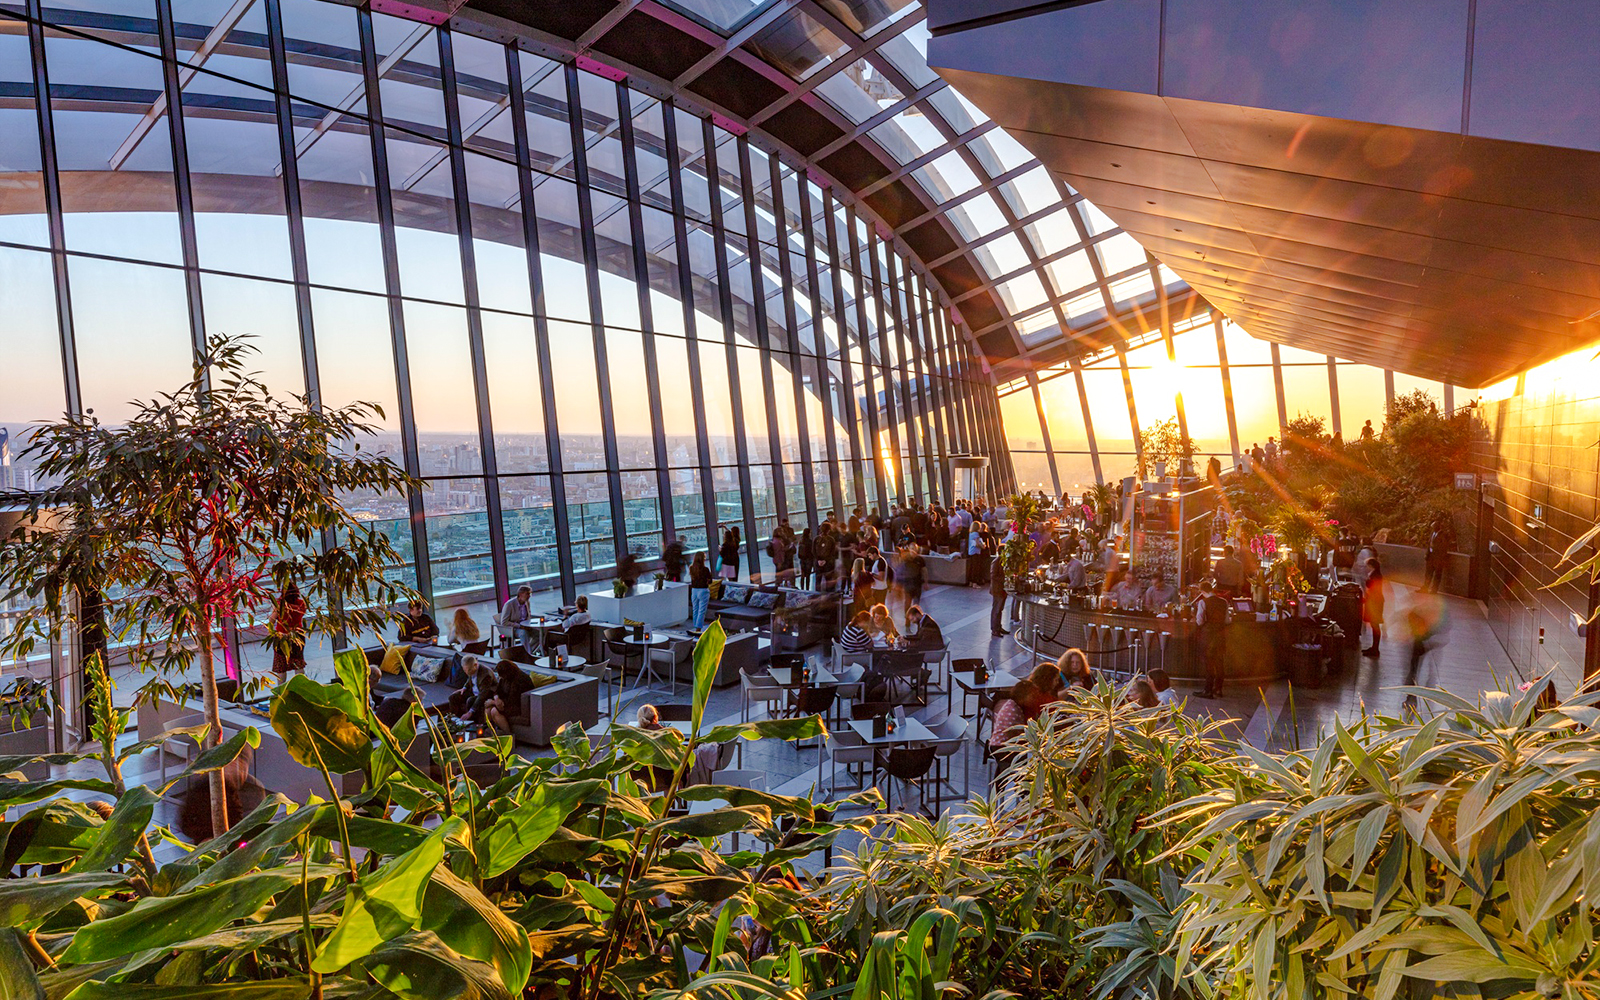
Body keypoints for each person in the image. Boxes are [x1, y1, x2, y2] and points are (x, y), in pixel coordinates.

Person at [989, 677, 1036, 775]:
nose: (1033, 698)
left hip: (1000, 745)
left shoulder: (1013, 704)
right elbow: (1015, 735)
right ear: (1023, 696)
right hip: (1001, 748)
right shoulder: (1013, 711)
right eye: (1031, 696)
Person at [448, 655, 503, 730]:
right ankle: (455, 720)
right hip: (473, 691)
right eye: (465, 670)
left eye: (469, 670)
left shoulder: (486, 675)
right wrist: (464, 688)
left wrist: (470, 712)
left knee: (470, 700)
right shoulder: (470, 670)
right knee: (453, 697)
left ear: (475, 665)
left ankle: (470, 724)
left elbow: (482, 695)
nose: (467, 673)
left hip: (485, 695)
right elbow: (469, 678)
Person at [1195, 579, 1229, 698]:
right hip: (1220, 635)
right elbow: (1227, 620)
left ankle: (1208, 690)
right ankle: (1218, 688)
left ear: (1203, 591)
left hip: (1208, 636)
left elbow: (1200, 621)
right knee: (1219, 662)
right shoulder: (1224, 602)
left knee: (1209, 663)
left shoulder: (1203, 602)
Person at [270, 581, 308, 679]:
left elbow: (272, 620)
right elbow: (302, 614)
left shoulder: (280, 604)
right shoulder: (301, 604)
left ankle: (281, 690)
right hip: (297, 635)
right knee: (298, 663)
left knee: (281, 666)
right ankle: (301, 687)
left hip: (281, 636)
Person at [1362, 557, 1386, 657]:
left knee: (1375, 625)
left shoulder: (1375, 575)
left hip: (1375, 602)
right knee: (1374, 625)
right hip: (1376, 601)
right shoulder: (1376, 574)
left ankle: (1375, 649)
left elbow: (1371, 586)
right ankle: (1374, 647)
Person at [1424, 516, 1453, 594]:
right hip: (1431, 556)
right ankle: (1425, 587)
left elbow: (1444, 546)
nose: (1432, 528)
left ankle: (1434, 590)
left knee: (1437, 575)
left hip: (1438, 558)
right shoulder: (1432, 533)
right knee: (1428, 573)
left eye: (1433, 527)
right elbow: (1429, 543)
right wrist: (1427, 554)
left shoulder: (1442, 535)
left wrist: (1440, 557)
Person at [689, 551, 713, 630]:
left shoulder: (691, 568)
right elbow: (710, 581)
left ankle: (695, 626)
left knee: (695, 609)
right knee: (701, 610)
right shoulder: (705, 569)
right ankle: (698, 628)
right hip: (703, 590)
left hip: (694, 590)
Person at [899, 543, 926, 608]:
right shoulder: (905, 559)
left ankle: (914, 614)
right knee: (907, 601)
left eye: (914, 549)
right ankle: (907, 616)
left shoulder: (920, 559)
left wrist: (926, 582)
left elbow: (924, 570)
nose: (913, 550)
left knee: (916, 602)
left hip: (917, 584)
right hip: (908, 584)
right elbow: (900, 570)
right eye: (911, 548)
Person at [989, 552, 1010, 637]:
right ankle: (995, 629)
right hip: (997, 589)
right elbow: (993, 575)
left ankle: (998, 627)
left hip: (1002, 589)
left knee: (999, 609)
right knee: (996, 610)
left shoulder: (1002, 561)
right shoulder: (996, 561)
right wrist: (1004, 579)